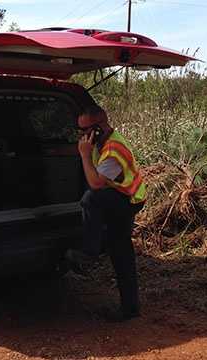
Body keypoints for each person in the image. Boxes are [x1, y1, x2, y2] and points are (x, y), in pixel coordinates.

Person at [66, 104, 146, 321]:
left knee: (91, 199)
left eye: (85, 131)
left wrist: (84, 155)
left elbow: (95, 183)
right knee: (121, 252)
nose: (83, 137)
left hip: (128, 199)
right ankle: (130, 309)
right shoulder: (101, 142)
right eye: (79, 131)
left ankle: (90, 252)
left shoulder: (113, 150)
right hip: (119, 196)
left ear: (100, 127)